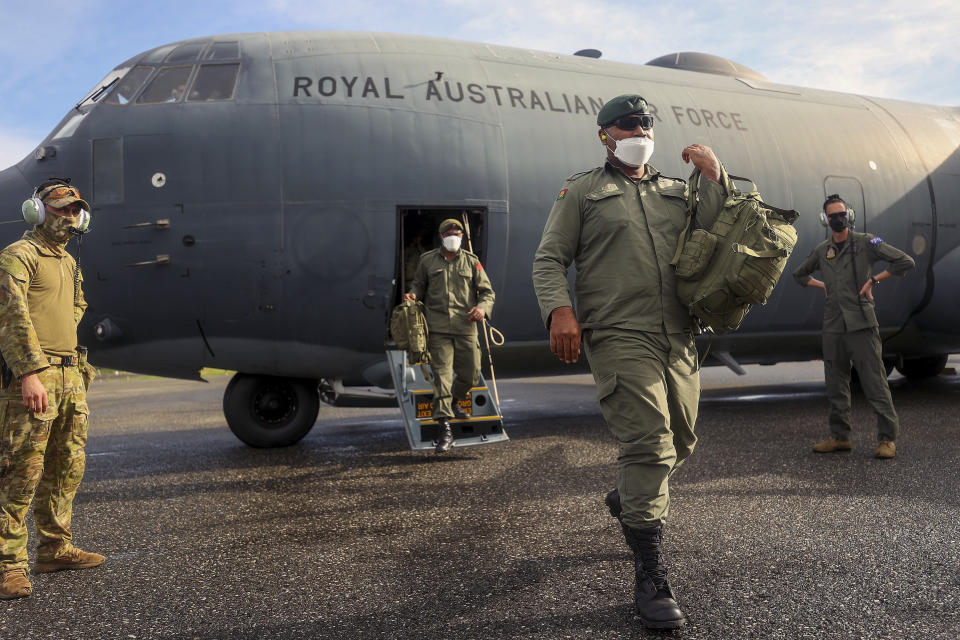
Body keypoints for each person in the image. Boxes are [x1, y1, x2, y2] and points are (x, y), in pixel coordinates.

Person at [532, 94, 726, 629]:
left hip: (678, 331)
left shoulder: (673, 190)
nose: (639, 129)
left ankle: (630, 495)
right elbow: (549, 258)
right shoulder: (583, 191)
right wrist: (560, 311)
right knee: (650, 442)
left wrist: (713, 177)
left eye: (645, 123)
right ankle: (650, 574)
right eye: (627, 124)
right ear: (606, 136)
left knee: (682, 440)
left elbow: (712, 233)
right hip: (618, 332)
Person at [0, 179, 104, 600]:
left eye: (74, 209)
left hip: (69, 376)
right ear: (37, 212)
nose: (69, 216)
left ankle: (55, 548)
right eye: (60, 209)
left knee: (66, 468)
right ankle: (8, 566)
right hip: (34, 378)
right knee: (20, 473)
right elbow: (10, 315)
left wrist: (70, 368)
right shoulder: (17, 256)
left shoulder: (67, 262)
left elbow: (78, 305)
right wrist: (29, 372)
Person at [792, 194, 915, 459]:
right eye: (832, 216)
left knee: (874, 383)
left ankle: (887, 439)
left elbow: (904, 261)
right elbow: (799, 274)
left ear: (849, 215)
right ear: (825, 219)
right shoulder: (822, 251)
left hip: (861, 325)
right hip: (834, 325)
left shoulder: (868, 242)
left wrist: (874, 280)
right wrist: (822, 285)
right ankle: (840, 437)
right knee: (835, 383)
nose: (838, 219)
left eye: (841, 214)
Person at [404, 219, 495, 453]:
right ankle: (445, 430)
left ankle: (454, 402)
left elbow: (487, 292)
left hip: (466, 327)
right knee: (443, 376)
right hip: (438, 329)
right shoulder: (427, 261)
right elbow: (418, 285)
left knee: (471, 374)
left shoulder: (472, 263)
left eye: (458, 233)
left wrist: (483, 308)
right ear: (442, 236)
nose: (454, 237)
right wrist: (413, 296)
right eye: (450, 233)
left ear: (462, 237)